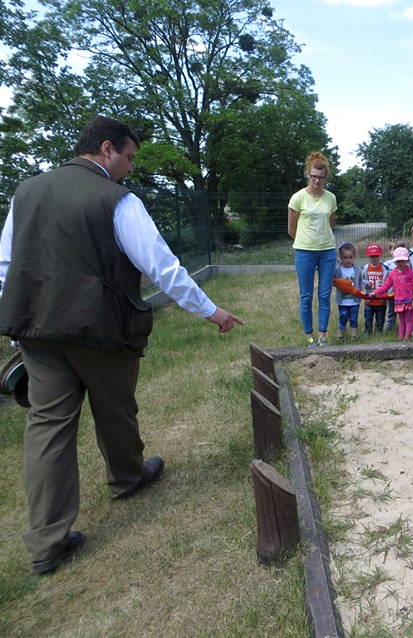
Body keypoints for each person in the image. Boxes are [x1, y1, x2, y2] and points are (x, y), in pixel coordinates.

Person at [0, 116, 243, 575]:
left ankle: (45, 544)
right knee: (115, 408)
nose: (130, 168)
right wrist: (211, 311)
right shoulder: (117, 199)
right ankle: (128, 478)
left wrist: (17, 325)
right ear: (107, 149)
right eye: (129, 158)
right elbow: (161, 266)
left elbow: (6, 264)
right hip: (99, 327)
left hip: (35, 329)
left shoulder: (27, 191)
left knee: (47, 428)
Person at [288, 151, 336, 347]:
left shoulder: (331, 198)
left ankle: (322, 336)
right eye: (313, 176)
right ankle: (309, 338)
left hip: (327, 251)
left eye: (321, 177)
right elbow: (291, 228)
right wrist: (305, 242)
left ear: (326, 177)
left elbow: (330, 224)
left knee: (324, 295)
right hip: (304, 251)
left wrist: (322, 240)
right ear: (308, 174)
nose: (317, 180)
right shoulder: (298, 198)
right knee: (306, 295)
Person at [370, 247, 413, 340]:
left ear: (407, 261)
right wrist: (376, 292)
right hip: (398, 301)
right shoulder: (393, 273)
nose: (400, 263)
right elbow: (385, 286)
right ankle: (401, 337)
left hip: (409, 300)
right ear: (394, 261)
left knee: (409, 320)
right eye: (398, 261)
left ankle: (407, 337)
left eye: (402, 260)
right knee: (401, 320)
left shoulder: (411, 273)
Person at [333, 242, 363, 340]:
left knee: (354, 318)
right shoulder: (337, 269)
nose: (348, 260)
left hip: (354, 301)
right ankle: (341, 335)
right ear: (341, 257)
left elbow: (361, 282)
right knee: (343, 316)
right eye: (345, 257)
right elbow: (333, 280)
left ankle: (353, 335)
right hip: (343, 300)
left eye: (350, 257)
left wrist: (365, 289)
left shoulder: (357, 269)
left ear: (354, 257)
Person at [362, 243, 390, 335]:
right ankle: (368, 334)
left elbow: (387, 283)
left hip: (381, 300)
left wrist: (385, 295)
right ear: (368, 257)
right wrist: (366, 284)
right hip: (369, 300)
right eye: (372, 256)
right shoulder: (366, 268)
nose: (374, 259)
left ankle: (379, 334)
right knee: (368, 319)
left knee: (380, 320)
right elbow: (362, 281)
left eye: (376, 256)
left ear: (380, 256)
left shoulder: (384, 269)